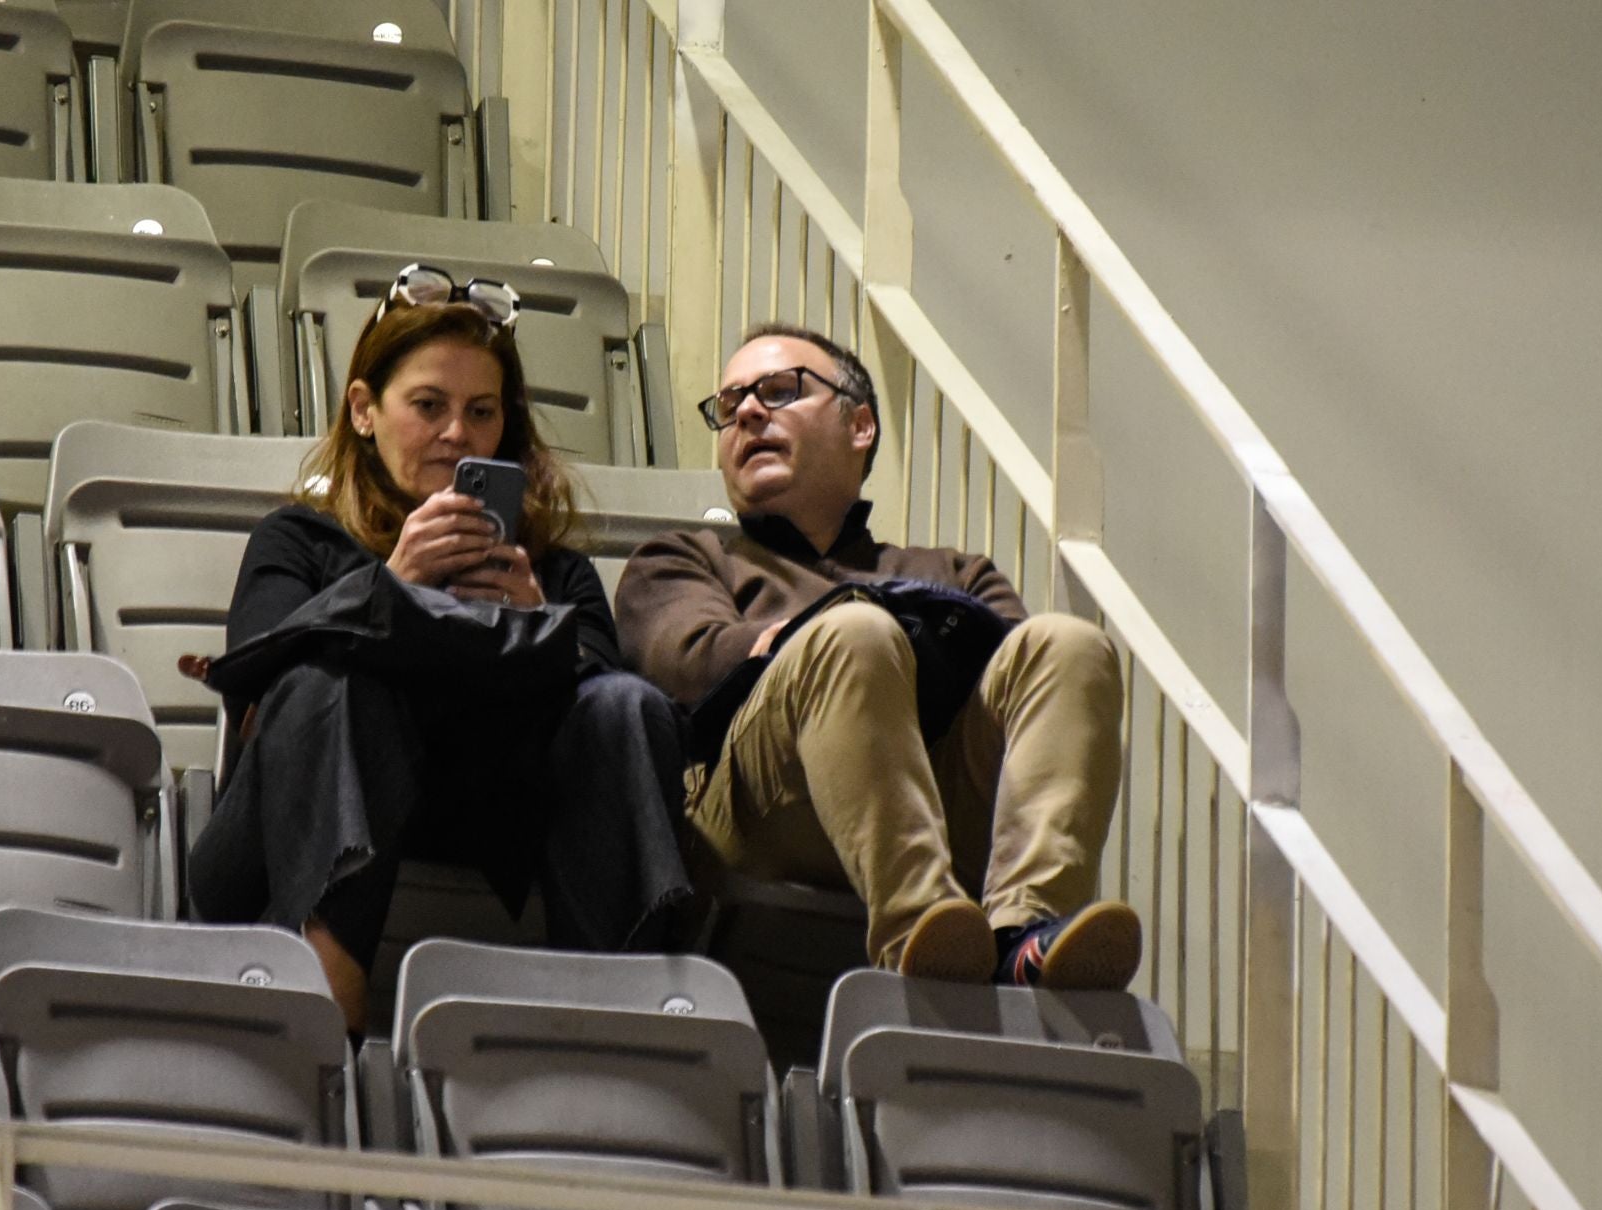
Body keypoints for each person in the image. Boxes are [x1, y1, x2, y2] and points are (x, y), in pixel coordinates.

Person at [186, 266, 694, 1030]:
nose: (457, 433)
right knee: (332, 682)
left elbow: (611, 704)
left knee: (623, 702)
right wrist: (392, 586)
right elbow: (259, 678)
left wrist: (535, 621)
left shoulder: (552, 571)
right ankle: (328, 1007)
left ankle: (617, 1023)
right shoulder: (298, 540)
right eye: (429, 406)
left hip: (484, 822)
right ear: (364, 410)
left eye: (481, 412)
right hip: (289, 830)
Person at [613, 323, 1139, 988]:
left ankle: (1023, 936)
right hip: (756, 809)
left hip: (937, 797)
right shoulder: (686, 556)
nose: (746, 411)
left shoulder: (956, 572)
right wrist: (838, 637)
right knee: (855, 635)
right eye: (729, 405)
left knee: (1072, 645)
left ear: (859, 426)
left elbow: (1027, 705)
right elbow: (689, 664)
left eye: (778, 391)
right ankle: (922, 934)